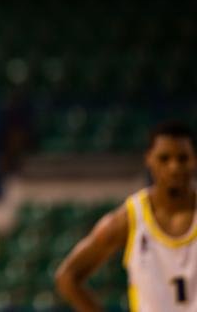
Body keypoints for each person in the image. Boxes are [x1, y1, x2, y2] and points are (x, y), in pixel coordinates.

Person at [55, 120, 197, 311]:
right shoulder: (128, 219)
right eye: (164, 159)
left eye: (183, 158)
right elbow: (67, 277)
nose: (174, 167)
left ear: (194, 159)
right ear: (149, 159)